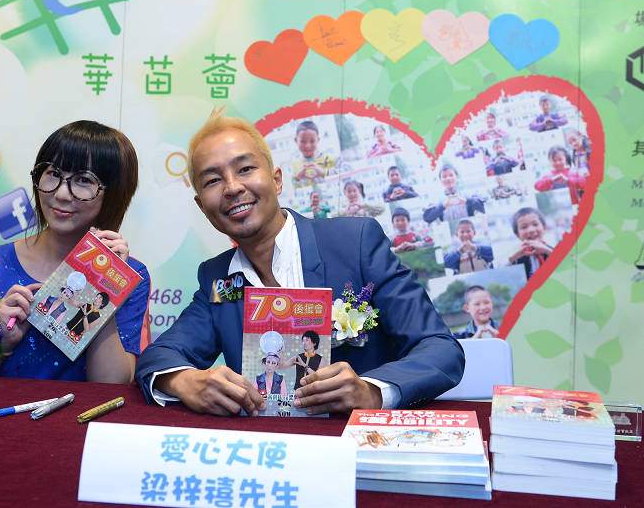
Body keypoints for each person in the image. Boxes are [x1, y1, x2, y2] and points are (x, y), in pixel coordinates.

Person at [135, 111, 463, 416]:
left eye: (245, 169)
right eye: (212, 181)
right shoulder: (221, 280)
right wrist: (184, 380)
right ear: (201, 206)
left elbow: (440, 349)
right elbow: (159, 357)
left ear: (276, 179)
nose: (232, 187)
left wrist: (372, 392)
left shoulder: (355, 243)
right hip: (268, 450)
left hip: (353, 443)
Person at [0, 121, 151, 383]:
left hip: (85, 411)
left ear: (114, 193)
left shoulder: (129, 277)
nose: (62, 193)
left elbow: (113, 384)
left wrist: (103, 286)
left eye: (84, 180)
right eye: (53, 173)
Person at [508, 207, 554, 279]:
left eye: (535, 224)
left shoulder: (552, 251)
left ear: (544, 227)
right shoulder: (516, 258)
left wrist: (547, 251)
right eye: (524, 227)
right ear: (517, 234)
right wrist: (512, 258)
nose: (531, 230)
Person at [290, 120, 339, 187]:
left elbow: (345, 172)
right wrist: (298, 178)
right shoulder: (294, 165)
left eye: (312, 141)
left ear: (318, 140)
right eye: (303, 141)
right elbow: (293, 187)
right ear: (296, 140)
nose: (307, 146)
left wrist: (324, 172)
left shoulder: (328, 159)